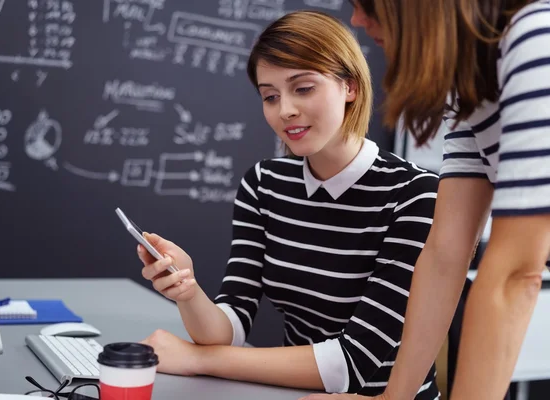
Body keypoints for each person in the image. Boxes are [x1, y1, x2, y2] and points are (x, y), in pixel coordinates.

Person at [137, 10, 439, 398]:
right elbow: (233, 323)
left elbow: (355, 362)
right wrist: (189, 291)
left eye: (303, 88)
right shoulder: (265, 184)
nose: (285, 110)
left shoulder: (415, 194)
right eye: (270, 96)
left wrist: (198, 359)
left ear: (349, 87)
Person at [300, 1, 550, 399]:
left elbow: (516, 275)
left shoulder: (535, 39)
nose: (357, 20)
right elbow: (444, 255)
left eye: (368, 5)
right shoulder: (472, 84)